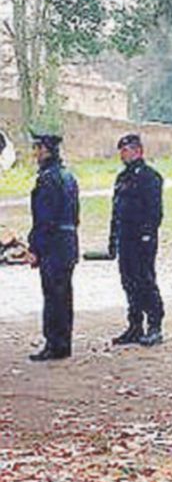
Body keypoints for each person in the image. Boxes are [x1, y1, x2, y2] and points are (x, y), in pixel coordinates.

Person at [26, 133, 79, 361]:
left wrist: (34, 247)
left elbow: (44, 219)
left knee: (53, 296)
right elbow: (76, 214)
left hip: (53, 244)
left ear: (46, 151)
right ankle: (63, 342)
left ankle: (54, 344)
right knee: (64, 295)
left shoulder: (47, 179)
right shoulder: (68, 177)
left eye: (37, 149)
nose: (35, 154)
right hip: (68, 241)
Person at [109, 133, 165, 346]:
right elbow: (116, 211)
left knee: (145, 281)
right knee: (128, 282)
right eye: (122, 151)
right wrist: (113, 238)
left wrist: (147, 234)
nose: (123, 154)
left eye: (127, 150)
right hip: (125, 238)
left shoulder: (150, 177)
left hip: (141, 239)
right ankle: (134, 326)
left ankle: (154, 325)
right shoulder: (123, 178)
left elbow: (155, 211)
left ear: (138, 151)